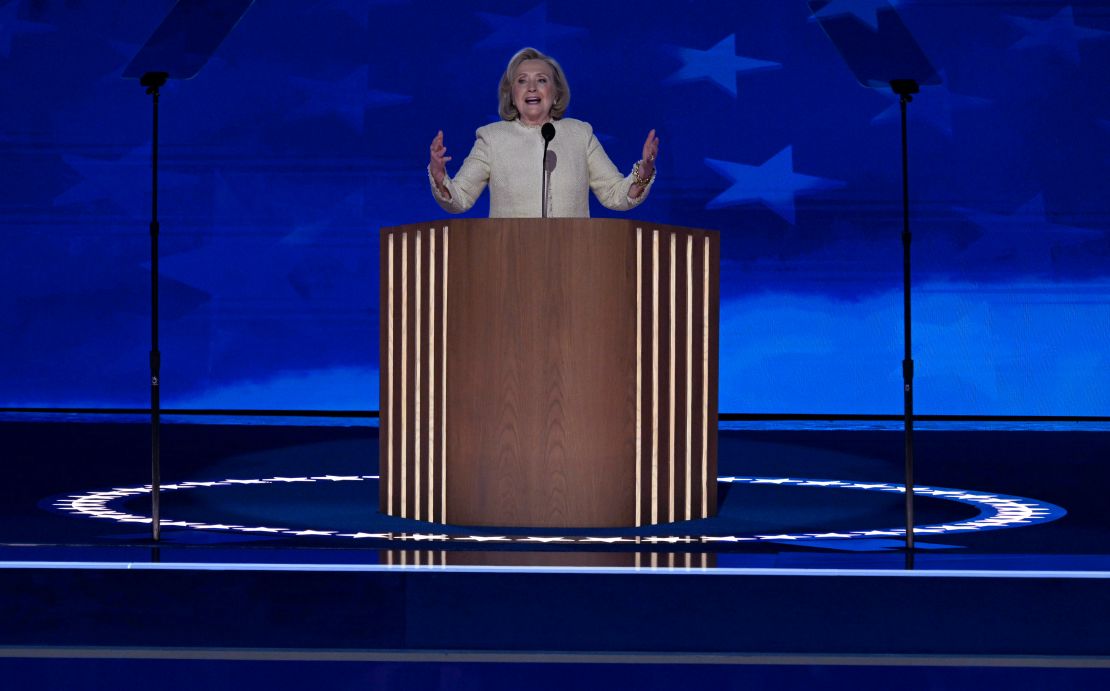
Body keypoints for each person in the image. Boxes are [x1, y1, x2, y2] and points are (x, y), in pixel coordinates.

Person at [428, 47, 659, 218]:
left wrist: (644, 172)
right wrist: (440, 179)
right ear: (511, 93)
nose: (531, 88)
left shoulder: (580, 134)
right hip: (509, 261)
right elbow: (460, 199)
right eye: (521, 81)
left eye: (541, 80)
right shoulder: (491, 138)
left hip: (573, 259)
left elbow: (615, 194)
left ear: (556, 93)